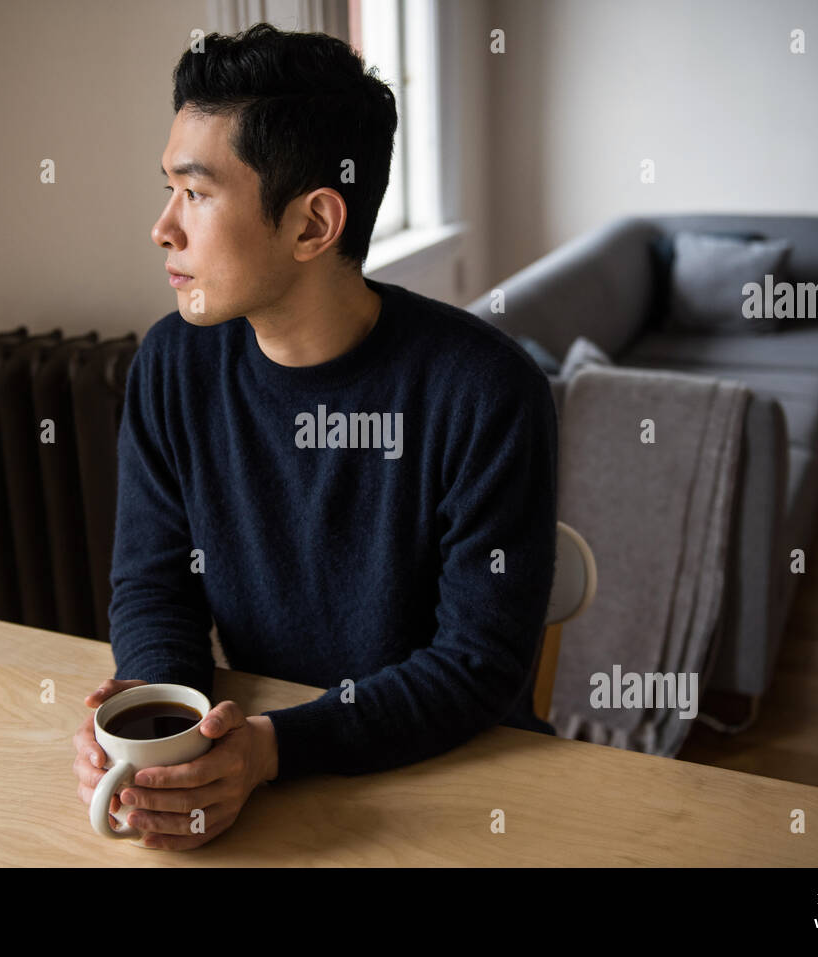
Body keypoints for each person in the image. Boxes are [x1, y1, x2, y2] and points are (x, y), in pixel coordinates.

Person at [72, 21, 558, 850]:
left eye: (195, 192)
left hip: (464, 782)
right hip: (272, 764)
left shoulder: (487, 391)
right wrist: (166, 737)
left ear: (311, 225)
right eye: (168, 188)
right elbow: (155, 586)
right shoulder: (169, 365)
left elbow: (477, 664)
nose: (163, 228)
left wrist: (271, 751)